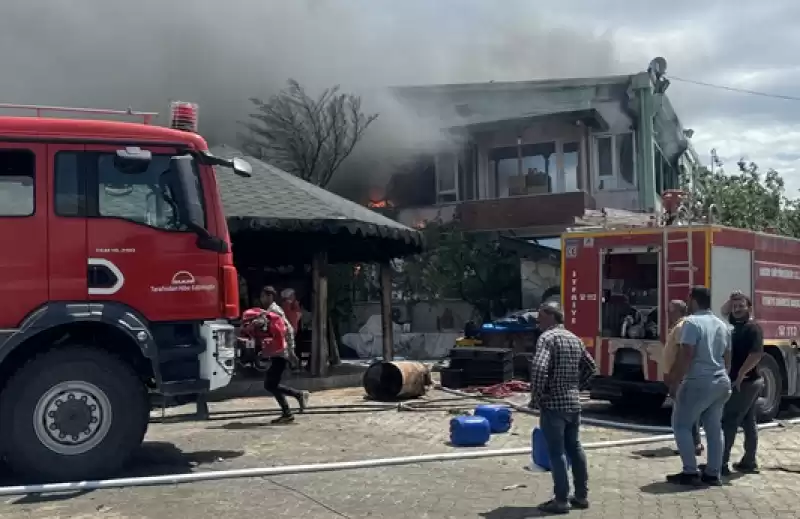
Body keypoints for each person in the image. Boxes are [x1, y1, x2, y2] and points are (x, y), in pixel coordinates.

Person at [529, 301, 597, 514]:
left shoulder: (547, 338)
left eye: (540, 316)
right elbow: (591, 367)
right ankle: (581, 496)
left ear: (550, 316)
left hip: (554, 405)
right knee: (575, 448)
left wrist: (536, 397)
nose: (537, 321)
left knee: (557, 453)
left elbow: (539, 368)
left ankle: (560, 500)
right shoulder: (574, 338)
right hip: (573, 404)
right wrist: (577, 387)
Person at [666, 286, 732, 486]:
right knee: (714, 428)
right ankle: (713, 473)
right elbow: (727, 357)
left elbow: (687, 354)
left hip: (698, 381)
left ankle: (690, 472)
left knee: (682, 425)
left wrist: (674, 381)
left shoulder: (692, 323)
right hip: (720, 380)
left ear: (693, 300)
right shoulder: (722, 325)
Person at [720, 292, 764, 475]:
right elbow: (723, 311)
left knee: (729, 420)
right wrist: (732, 299)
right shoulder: (734, 323)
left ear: (749, 308)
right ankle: (749, 461)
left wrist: (739, 375)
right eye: (735, 306)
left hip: (745, 382)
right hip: (747, 381)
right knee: (748, 421)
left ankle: (720, 464)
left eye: (741, 306)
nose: (736, 309)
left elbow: (756, 355)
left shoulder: (752, 328)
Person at [258, 286, 308, 423]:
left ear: (270, 297)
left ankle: (295, 401)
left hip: (281, 353)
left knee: (270, 384)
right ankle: (293, 403)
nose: (261, 299)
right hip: (277, 352)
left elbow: (288, 330)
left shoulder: (275, 311)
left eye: (263, 296)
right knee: (271, 384)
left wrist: (291, 351)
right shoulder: (268, 312)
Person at [662, 300, 703, 456]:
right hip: (681, 376)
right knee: (689, 412)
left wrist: (675, 376)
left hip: (682, 377)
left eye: (671, 311)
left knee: (686, 414)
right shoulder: (680, 325)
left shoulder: (682, 327)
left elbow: (682, 352)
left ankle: (692, 446)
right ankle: (694, 443)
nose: (668, 314)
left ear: (679, 311)